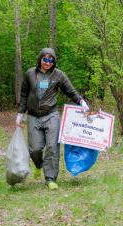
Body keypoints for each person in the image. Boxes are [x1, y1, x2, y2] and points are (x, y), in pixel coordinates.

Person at [15, 47, 89, 190]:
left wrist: (81, 102)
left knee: (52, 147)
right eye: (45, 59)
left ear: (54, 61)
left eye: (51, 60)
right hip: (33, 116)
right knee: (35, 149)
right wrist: (20, 113)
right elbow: (24, 94)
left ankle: (50, 178)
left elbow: (71, 91)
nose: (48, 62)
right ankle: (39, 165)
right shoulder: (30, 74)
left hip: (51, 115)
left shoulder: (59, 75)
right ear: (40, 59)